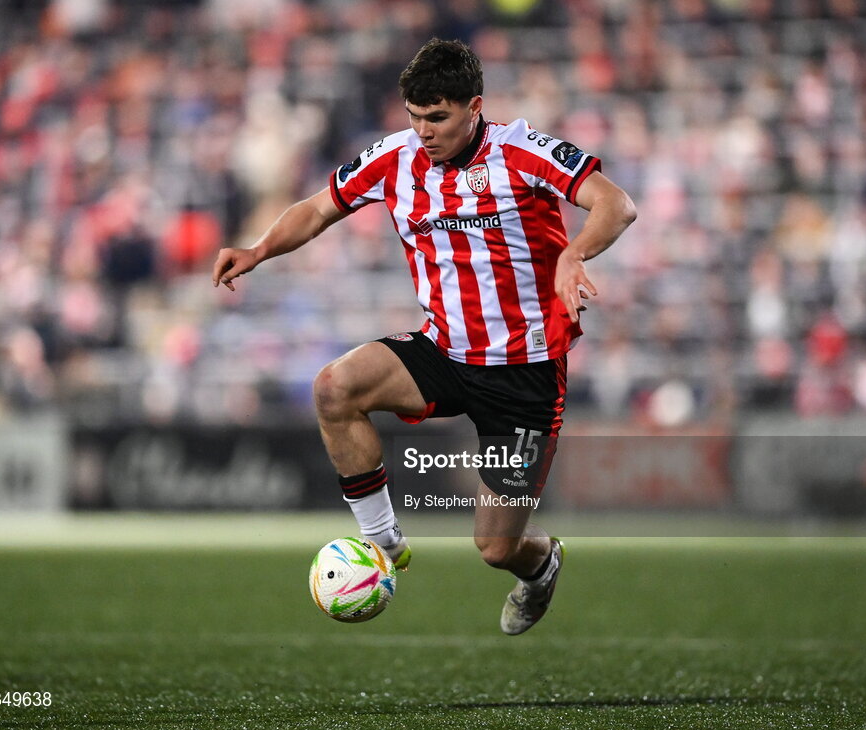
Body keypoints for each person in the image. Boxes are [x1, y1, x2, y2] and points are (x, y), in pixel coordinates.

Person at [212, 39, 636, 635]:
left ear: (474, 107)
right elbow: (316, 208)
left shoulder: (521, 151)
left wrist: (574, 252)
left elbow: (616, 204)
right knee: (335, 388)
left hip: (524, 372)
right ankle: (383, 544)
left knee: (494, 548)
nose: (424, 131)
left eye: (437, 117)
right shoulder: (395, 157)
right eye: (414, 117)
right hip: (444, 350)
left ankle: (541, 566)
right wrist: (257, 250)